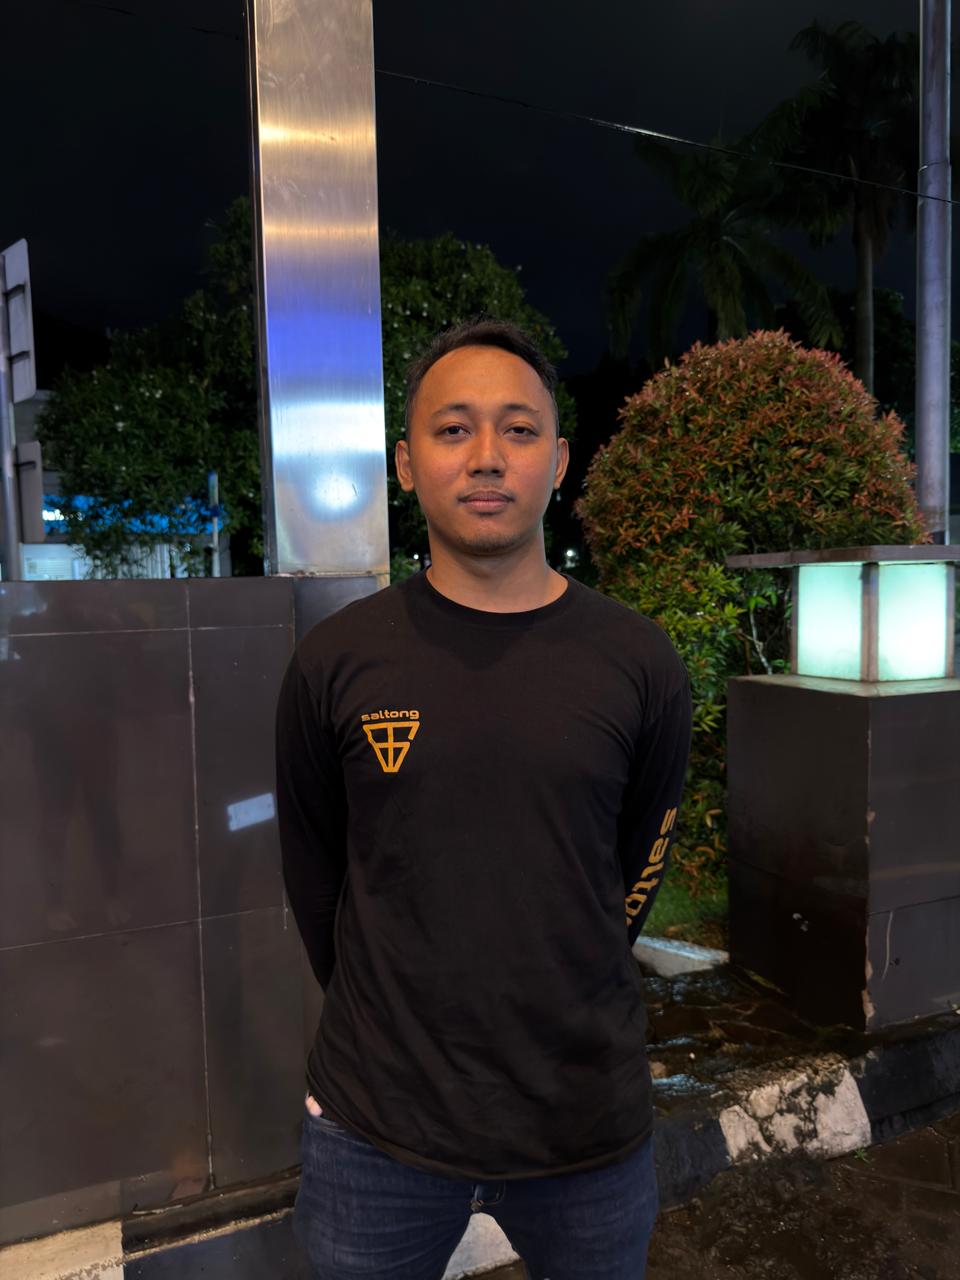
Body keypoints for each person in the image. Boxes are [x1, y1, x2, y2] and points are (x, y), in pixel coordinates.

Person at [275, 319, 691, 1280]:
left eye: (519, 428)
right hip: (376, 1126)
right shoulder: (337, 661)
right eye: (454, 428)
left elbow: (637, 867)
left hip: (585, 1121)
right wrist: (394, 1009)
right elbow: (317, 875)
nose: (488, 456)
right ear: (406, 464)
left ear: (559, 461)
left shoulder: (638, 660)